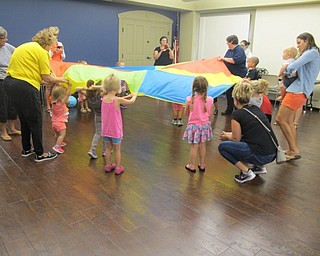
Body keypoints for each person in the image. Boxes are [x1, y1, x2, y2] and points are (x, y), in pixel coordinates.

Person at [4, 28, 70, 162]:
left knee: (24, 119)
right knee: (35, 120)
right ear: (49, 42)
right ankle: (40, 154)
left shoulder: (25, 46)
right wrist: (62, 79)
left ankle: (26, 149)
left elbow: (35, 74)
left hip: (9, 84)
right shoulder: (42, 52)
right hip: (25, 87)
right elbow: (47, 78)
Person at [218, 81, 277, 183]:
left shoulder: (237, 114)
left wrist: (227, 136)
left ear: (235, 99)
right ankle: (259, 167)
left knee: (223, 147)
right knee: (248, 140)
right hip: (272, 153)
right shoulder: (255, 109)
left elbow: (236, 139)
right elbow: (247, 133)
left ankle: (246, 172)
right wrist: (229, 135)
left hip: (262, 155)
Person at [276, 32, 320, 161]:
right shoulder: (313, 53)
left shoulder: (311, 53)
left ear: (307, 41)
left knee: (280, 119)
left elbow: (293, 66)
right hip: (297, 89)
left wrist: (287, 72)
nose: (298, 46)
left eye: (299, 43)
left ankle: (293, 150)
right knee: (288, 121)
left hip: (298, 90)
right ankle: (292, 150)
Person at [101, 74, 138, 175]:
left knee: (108, 148)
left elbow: (118, 98)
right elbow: (131, 102)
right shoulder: (117, 100)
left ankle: (108, 165)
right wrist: (134, 96)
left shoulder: (104, 98)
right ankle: (118, 167)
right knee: (117, 150)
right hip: (115, 131)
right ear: (117, 87)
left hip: (106, 130)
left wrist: (127, 96)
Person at [183, 76, 213, 173]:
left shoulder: (189, 99)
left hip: (193, 126)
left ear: (194, 87)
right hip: (205, 125)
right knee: (202, 145)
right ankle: (202, 164)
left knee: (194, 146)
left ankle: (191, 165)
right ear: (206, 87)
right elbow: (209, 113)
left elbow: (186, 113)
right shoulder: (210, 99)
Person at [0, 26, 21, 141]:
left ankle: (12, 128)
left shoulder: (9, 48)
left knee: (12, 104)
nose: (6, 40)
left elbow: (20, 54)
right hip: (1, 81)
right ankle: (3, 131)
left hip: (11, 78)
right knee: (2, 105)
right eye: (3, 38)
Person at [218, 35, 247, 116]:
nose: (227, 43)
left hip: (238, 75)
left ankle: (237, 111)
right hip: (230, 75)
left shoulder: (239, 50)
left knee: (236, 93)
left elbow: (235, 60)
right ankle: (229, 110)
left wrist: (223, 59)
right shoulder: (230, 50)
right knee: (229, 93)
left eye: (228, 42)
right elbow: (226, 59)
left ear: (231, 42)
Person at [82, 81, 107, 159]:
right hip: (105, 117)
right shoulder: (102, 97)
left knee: (98, 133)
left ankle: (92, 149)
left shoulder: (90, 97)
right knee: (106, 134)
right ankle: (105, 151)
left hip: (97, 116)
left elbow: (77, 89)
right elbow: (109, 89)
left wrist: (89, 88)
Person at [51, 83, 71, 154]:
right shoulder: (62, 103)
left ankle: (59, 142)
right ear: (61, 96)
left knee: (57, 134)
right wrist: (70, 86)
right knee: (62, 135)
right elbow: (68, 94)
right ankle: (57, 146)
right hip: (60, 123)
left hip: (54, 123)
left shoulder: (53, 102)